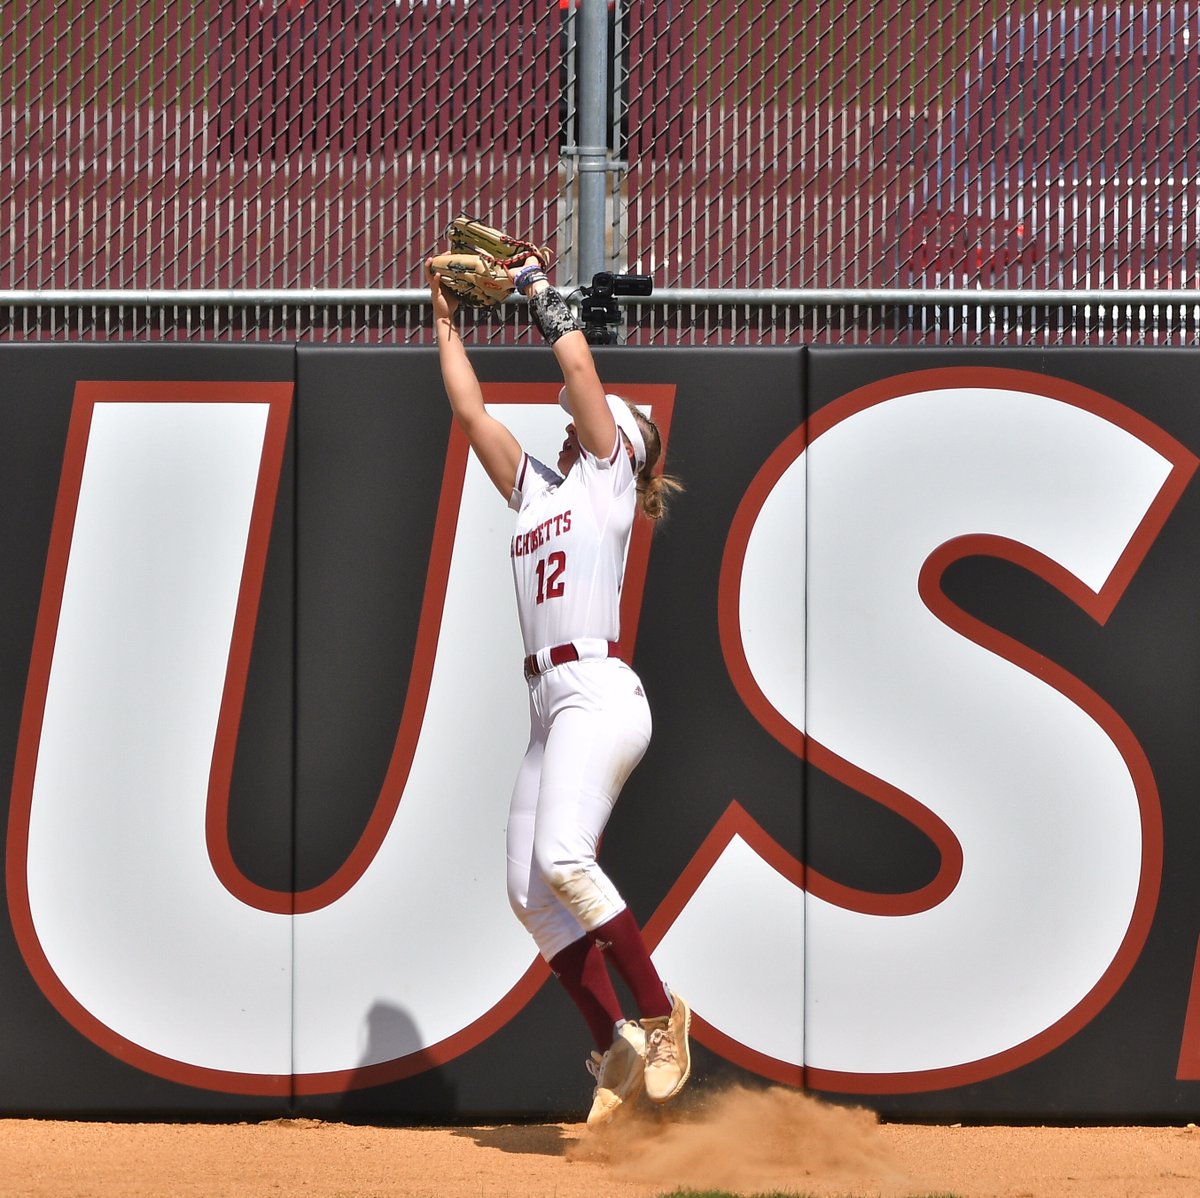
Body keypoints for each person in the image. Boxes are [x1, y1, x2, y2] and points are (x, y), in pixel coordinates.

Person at [427, 252, 689, 1127]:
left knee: (565, 861)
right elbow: (469, 409)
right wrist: (445, 319)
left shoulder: (611, 477)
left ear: (624, 441)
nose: (582, 415)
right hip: (548, 703)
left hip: (597, 690)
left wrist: (539, 285)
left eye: (603, 416)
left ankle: (660, 1019)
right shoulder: (543, 491)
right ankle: (613, 1040)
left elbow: (577, 367)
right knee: (529, 891)